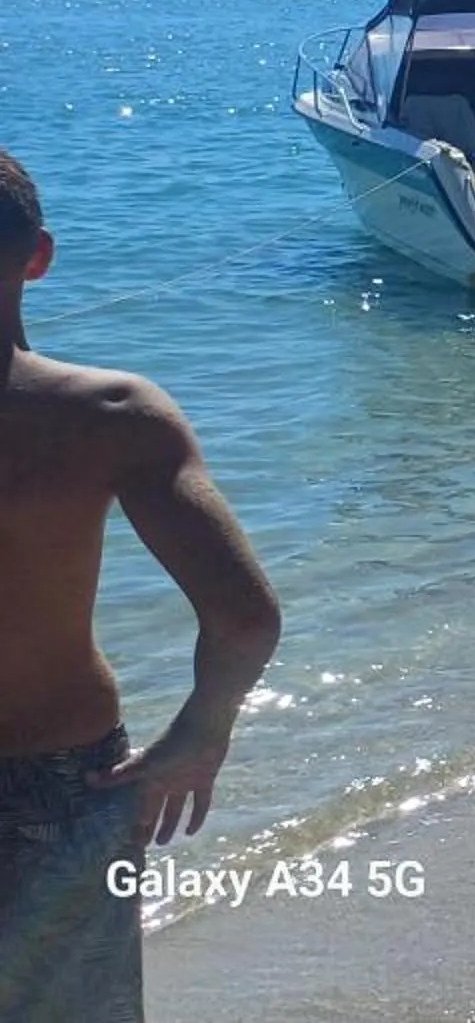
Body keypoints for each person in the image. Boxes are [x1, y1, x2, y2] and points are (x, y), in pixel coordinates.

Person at [0, 147, 284, 1023]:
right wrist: (201, 734)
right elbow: (244, 620)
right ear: (39, 257)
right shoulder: (112, 415)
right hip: (63, 779)